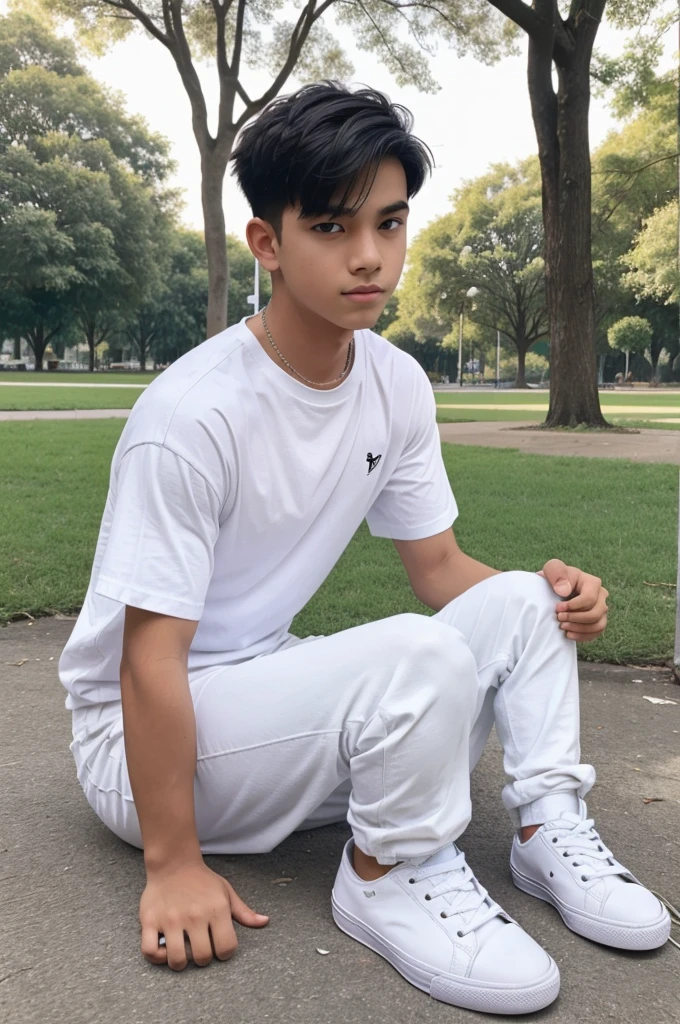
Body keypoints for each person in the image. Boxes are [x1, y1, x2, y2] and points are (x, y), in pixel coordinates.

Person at [58, 82, 670, 1015]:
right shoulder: (192, 415)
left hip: (267, 695)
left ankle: (547, 828)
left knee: (523, 597)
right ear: (268, 243)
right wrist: (173, 863)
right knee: (409, 655)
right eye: (334, 228)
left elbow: (439, 572)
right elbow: (147, 661)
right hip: (137, 752)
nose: (371, 258)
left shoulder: (394, 382)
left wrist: (552, 594)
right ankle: (390, 874)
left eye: (390, 224)